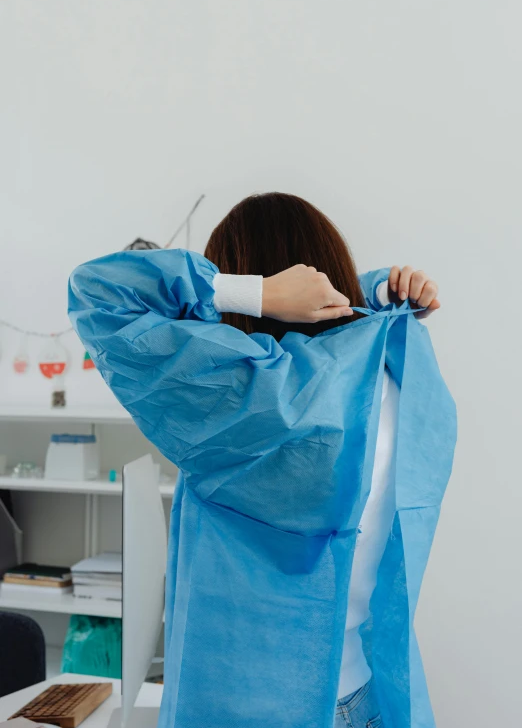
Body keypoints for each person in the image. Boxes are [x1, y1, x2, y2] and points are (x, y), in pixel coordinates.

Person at [68, 192, 456, 728]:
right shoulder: (396, 371)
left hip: (253, 706)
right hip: (371, 693)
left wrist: (257, 293)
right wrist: (370, 292)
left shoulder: (238, 393)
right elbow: (347, 344)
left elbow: (98, 293)